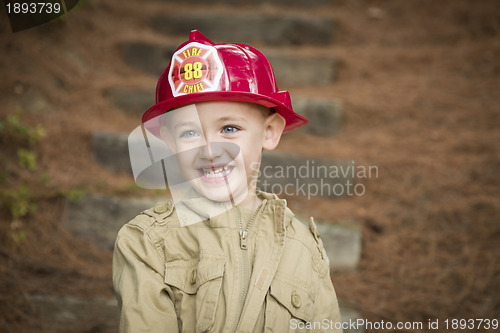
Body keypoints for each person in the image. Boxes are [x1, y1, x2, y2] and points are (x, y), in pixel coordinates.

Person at [113, 30, 343, 332]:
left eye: (230, 128)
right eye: (190, 133)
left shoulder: (304, 250)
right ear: (169, 142)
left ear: (270, 131)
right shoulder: (147, 243)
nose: (209, 151)